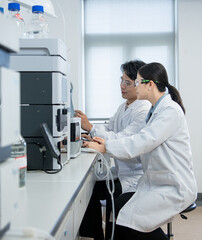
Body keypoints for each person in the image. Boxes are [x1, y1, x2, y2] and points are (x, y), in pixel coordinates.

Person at [84, 62, 197, 240]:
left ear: (150, 84)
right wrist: (104, 142)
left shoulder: (170, 112)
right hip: (155, 182)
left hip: (174, 186)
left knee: (129, 220)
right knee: (126, 216)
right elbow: (136, 139)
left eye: (136, 82)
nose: (133, 87)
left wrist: (106, 146)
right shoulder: (154, 111)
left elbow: (142, 141)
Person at [76, 60, 151, 240]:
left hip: (135, 175)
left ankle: (111, 235)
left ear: (139, 84)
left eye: (127, 82)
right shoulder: (124, 106)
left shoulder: (143, 110)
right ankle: (96, 236)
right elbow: (109, 128)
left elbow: (125, 140)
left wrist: (92, 128)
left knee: (114, 200)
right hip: (121, 171)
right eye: (121, 80)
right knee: (89, 193)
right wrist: (92, 134)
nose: (122, 86)